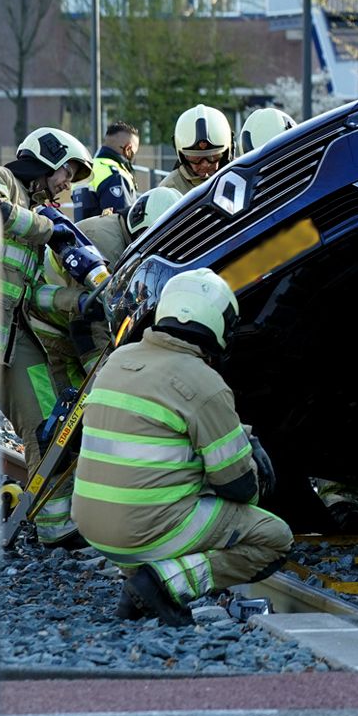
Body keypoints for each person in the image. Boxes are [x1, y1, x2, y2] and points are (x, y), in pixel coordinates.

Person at [73, 268, 293, 625]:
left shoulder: (118, 361)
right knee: (274, 538)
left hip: (93, 526)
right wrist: (249, 452)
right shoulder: (205, 382)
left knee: (160, 480)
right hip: (142, 531)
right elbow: (239, 488)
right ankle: (162, 585)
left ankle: (138, 589)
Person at [0, 127, 97, 548]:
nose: (67, 184)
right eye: (66, 172)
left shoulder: (37, 215)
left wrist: (80, 301)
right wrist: (47, 228)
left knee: (47, 426)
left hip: (9, 342)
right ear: (47, 160)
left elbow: (31, 295)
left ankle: (53, 522)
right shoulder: (0, 179)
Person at [27, 186, 185, 393]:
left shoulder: (126, 238)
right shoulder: (103, 245)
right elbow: (89, 322)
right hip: (50, 327)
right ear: (144, 230)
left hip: (67, 316)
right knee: (68, 409)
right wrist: (106, 377)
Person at [74, 121, 140, 221]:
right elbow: (121, 221)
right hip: (106, 236)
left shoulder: (86, 170)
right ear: (128, 149)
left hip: (82, 234)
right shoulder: (116, 175)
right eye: (134, 153)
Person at [161, 105, 232, 195]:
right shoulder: (169, 189)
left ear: (226, 153)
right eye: (196, 158)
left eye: (213, 157)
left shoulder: (242, 176)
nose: (205, 164)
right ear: (183, 157)